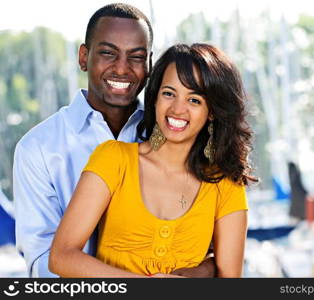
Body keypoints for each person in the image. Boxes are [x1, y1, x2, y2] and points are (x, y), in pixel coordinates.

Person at [13, 3, 214, 278]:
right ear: (84, 57)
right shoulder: (38, 148)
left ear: (150, 65)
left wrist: (194, 274)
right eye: (108, 53)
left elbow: (210, 249)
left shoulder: (174, 133)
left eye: (136, 57)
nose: (122, 69)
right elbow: (44, 262)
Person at [49, 43, 256, 277]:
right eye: (169, 93)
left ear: (212, 112)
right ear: (155, 97)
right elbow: (61, 257)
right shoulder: (113, 159)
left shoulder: (226, 185)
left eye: (194, 100)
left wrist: (200, 272)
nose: (178, 109)